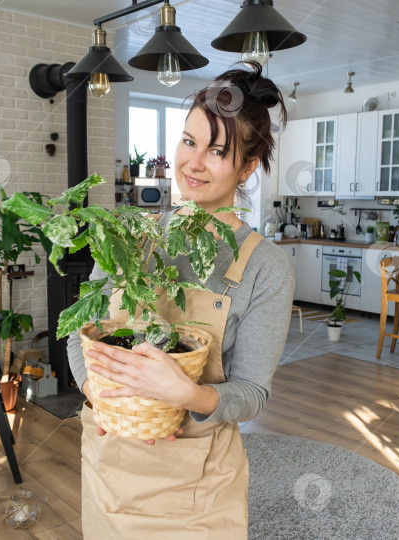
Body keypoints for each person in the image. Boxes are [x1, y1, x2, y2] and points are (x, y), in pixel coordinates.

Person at [68, 62, 295, 539]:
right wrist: (98, 394)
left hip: (196, 485)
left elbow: (252, 393)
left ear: (248, 167)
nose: (193, 163)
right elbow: (80, 331)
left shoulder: (264, 268)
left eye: (217, 151)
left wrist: (185, 395)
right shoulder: (131, 237)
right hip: (112, 463)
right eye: (189, 142)